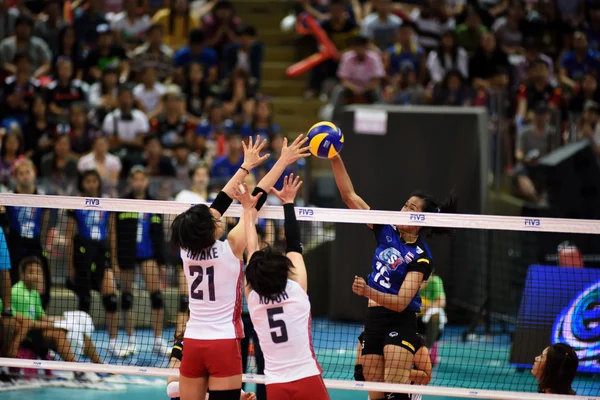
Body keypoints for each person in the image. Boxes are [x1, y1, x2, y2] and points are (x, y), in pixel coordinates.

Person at [170, 134, 309, 400]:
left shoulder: (186, 249)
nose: (217, 216)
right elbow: (258, 197)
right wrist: (282, 161)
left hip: (193, 340)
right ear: (209, 229)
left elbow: (220, 202)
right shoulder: (231, 247)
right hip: (223, 342)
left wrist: (246, 166)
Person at [329, 154, 455, 400]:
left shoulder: (421, 257)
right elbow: (350, 197)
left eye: (412, 208)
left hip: (400, 321)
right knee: (372, 389)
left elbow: (400, 302)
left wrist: (367, 291)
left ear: (422, 220)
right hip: (374, 318)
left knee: (395, 393)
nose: (404, 209)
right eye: (405, 204)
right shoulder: (385, 229)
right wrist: (334, 157)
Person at [240, 174, 329, 400]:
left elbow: (251, 250)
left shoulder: (253, 300)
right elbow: (294, 244)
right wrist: (288, 203)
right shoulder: (297, 291)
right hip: (307, 378)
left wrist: (247, 212)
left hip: (277, 385)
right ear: (283, 270)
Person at [65, 169, 127, 358]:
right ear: (82, 184)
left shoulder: (107, 202)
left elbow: (113, 234)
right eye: (88, 181)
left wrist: (114, 261)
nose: (91, 184)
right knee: (84, 301)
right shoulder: (75, 204)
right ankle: (82, 344)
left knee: (111, 299)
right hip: (82, 252)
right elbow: (69, 236)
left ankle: (113, 343)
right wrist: (70, 266)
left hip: (101, 252)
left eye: (94, 181)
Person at [116, 166, 169, 356]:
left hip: (148, 254)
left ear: (146, 181)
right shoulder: (123, 203)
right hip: (127, 254)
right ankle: (130, 340)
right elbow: (115, 233)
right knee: (126, 297)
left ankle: (158, 340)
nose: (138, 182)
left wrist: (162, 262)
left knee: (157, 296)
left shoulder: (154, 204)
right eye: (135, 179)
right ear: (130, 181)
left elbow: (160, 235)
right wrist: (115, 259)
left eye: (142, 179)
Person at [3, 158, 52, 310]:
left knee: (42, 281)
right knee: (14, 280)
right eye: (21, 173)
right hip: (16, 244)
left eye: (27, 172)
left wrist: (44, 241)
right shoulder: (8, 197)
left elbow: (45, 221)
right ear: (15, 176)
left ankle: (40, 311)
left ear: (34, 174)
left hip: (35, 244)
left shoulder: (42, 196)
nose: (25, 176)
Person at [166, 333, 257, 400]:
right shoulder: (181, 346)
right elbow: (172, 390)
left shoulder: (223, 349)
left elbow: (226, 381)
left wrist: (241, 395)